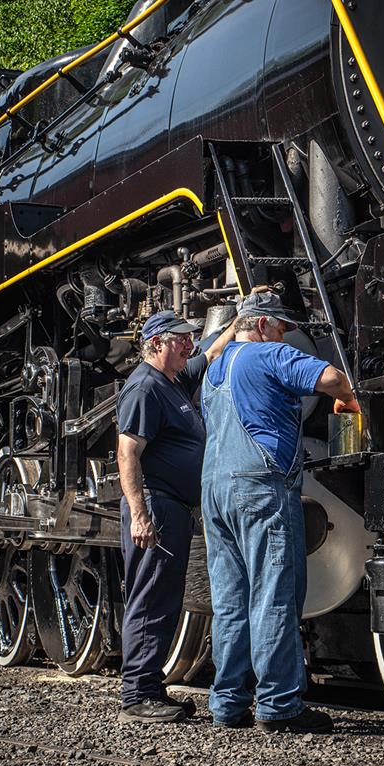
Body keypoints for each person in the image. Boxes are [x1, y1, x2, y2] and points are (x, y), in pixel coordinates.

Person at [200, 291, 361, 733]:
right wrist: (349, 398)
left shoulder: (214, 368)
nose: (286, 336)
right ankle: (278, 704)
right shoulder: (269, 355)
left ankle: (227, 703)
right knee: (274, 592)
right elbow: (330, 376)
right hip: (259, 486)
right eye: (283, 328)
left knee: (230, 600)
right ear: (266, 325)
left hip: (214, 490)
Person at [116, 308, 236, 724]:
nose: (190, 344)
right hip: (157, 505)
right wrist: (139, 514)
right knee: (150, 599)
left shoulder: (173, 381)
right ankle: (137, 695)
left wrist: (241, 319)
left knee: (164, 600)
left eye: (189, 337)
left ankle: (149, 687)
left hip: (172, 507)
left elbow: (212, 353)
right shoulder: (145, 388)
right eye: (181, 338)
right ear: (156, 343)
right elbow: (127, 453)